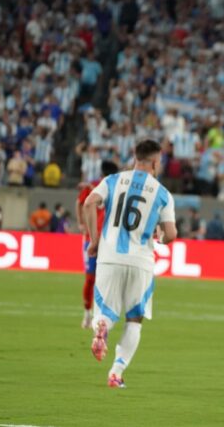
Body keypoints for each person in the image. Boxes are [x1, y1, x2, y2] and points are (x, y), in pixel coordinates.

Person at [82, 139, 177, 388]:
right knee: (134, 319)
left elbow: (89, 202)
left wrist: (94, 240)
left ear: (135, 157)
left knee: (105, 311)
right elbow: (171, 234)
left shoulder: (113, 180)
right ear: (155, 162)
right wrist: (160, 237)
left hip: (109, 256)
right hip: (140, 261)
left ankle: (102, 327)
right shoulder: (162, 193)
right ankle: (116, 373)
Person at [76, 160, 119, 329]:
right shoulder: (92, 186)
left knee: (108, 279)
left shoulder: (117, 187)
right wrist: (81, 222)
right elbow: (80, 202)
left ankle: (102, 315)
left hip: (109, 240)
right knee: (90, 278)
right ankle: (87, 313)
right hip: (91, 238)